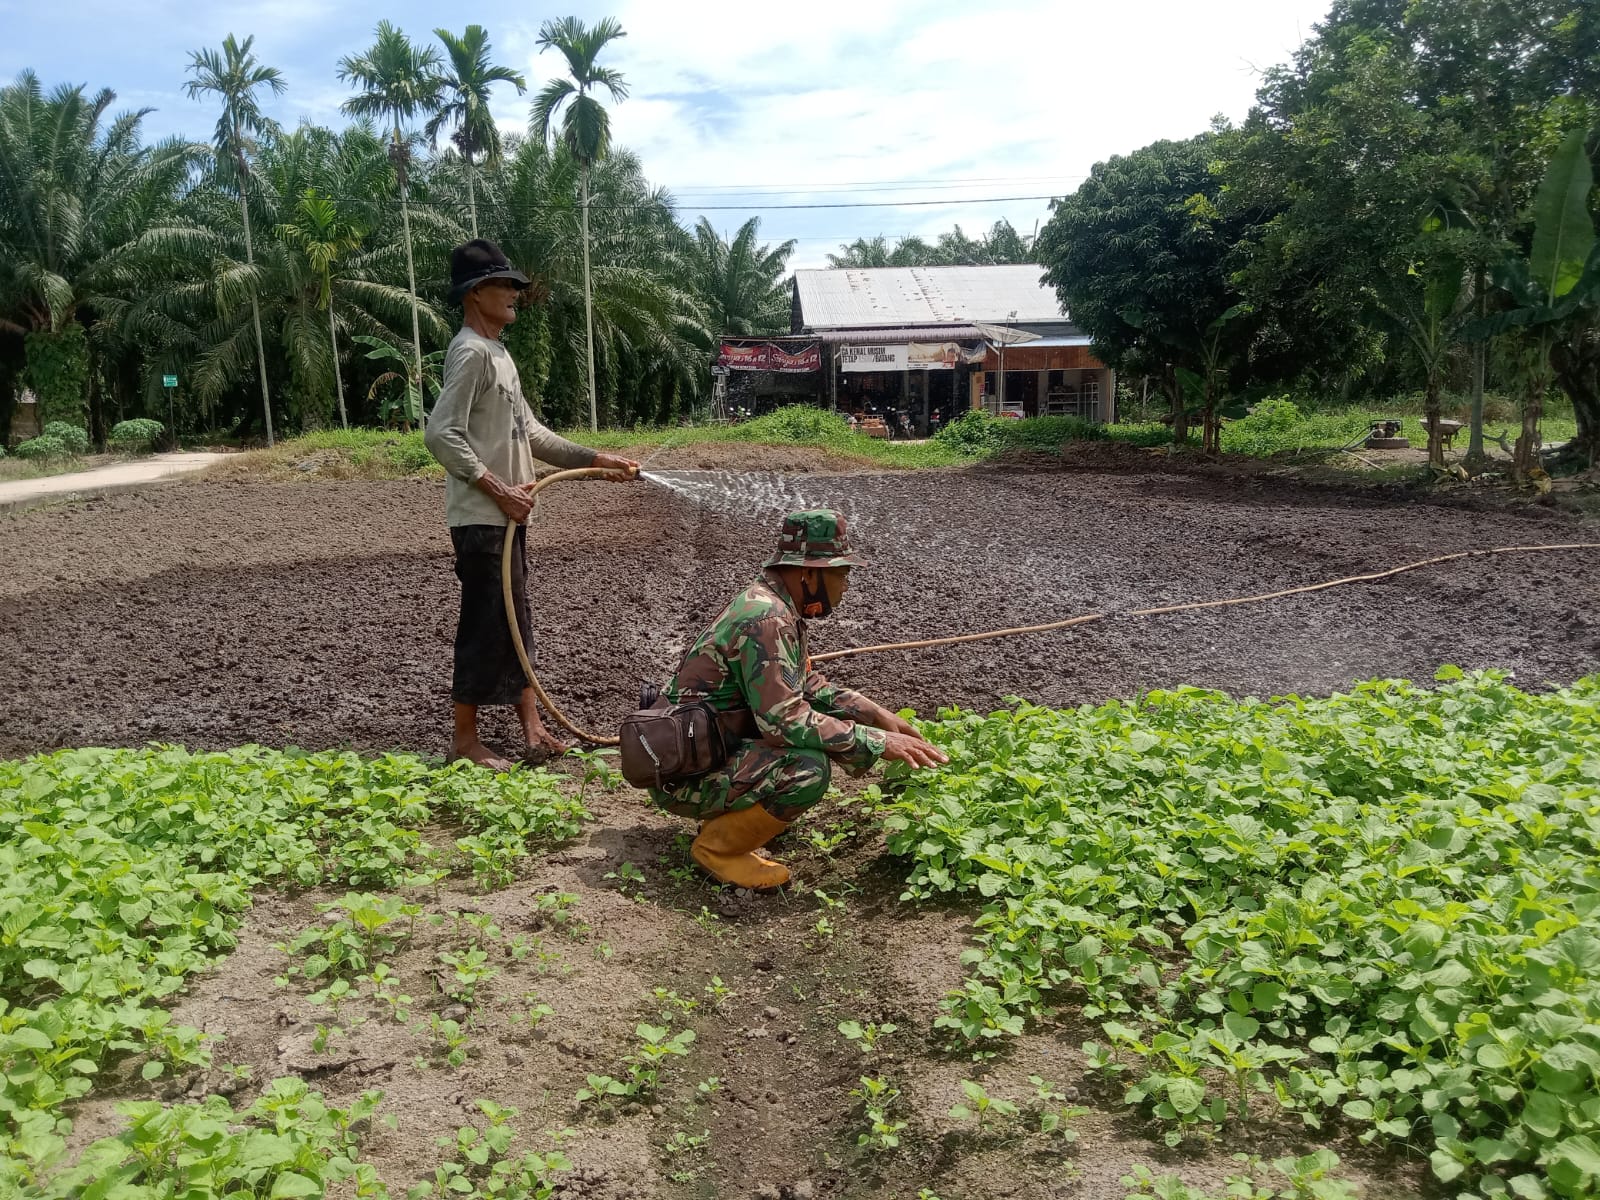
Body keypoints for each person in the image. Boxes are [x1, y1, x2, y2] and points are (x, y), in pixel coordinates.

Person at [425, 238, 638, 770]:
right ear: (477, 293)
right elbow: (439, 433)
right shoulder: (471, 352)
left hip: (508, 518)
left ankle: (533, 728)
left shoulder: (497, 352)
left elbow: (532, 433)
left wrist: (595, 458)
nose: (517, 293)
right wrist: (497, 487)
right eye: (506, 284)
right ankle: (464, 740)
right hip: (483, 519)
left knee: (514, 620)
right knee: (485, 623)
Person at [649, 509, 948, 888]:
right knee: (806, 768)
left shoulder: (773, 606)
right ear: (808, 573)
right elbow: (785, 720)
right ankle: (717, 849)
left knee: (812, 748)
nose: (844, 588)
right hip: (684, 775)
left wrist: (874, 713)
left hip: (701, 755)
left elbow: (805, 684)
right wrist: (878, 742)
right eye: (841, 575)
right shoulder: (767, 620)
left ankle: (727, 822)